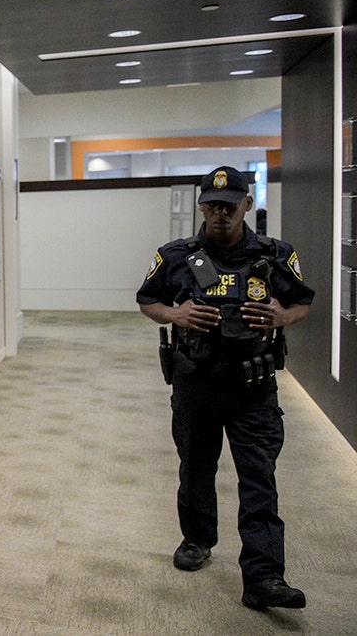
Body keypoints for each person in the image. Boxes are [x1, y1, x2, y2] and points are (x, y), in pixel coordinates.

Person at [136, 166, 314, 610]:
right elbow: (147, 299)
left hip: (253, 386)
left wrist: (282, 316)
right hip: (195, 382)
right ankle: (197, 539)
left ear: (247, 206)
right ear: (201, 207)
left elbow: (302, 300)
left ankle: (264, 576)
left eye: (230, 205)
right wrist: (174, 315)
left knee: (259, 477)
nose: (220, 213)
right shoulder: (176, 255)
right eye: (212, 205)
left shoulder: (275, 255)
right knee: (196, 467)